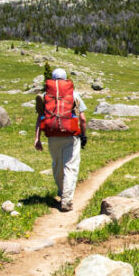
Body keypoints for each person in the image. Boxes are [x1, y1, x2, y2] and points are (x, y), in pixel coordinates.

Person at [34, 68, 87, 211]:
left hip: (52, 135)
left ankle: (61, 191)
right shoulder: (74, 95)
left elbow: (40, 119)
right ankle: (67, 199)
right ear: (65, 79)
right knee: (70, 167)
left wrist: (37, 139)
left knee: (57, 165)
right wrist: (83, 135)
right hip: (71, 135)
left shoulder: (46, 96)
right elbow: (82, 119)